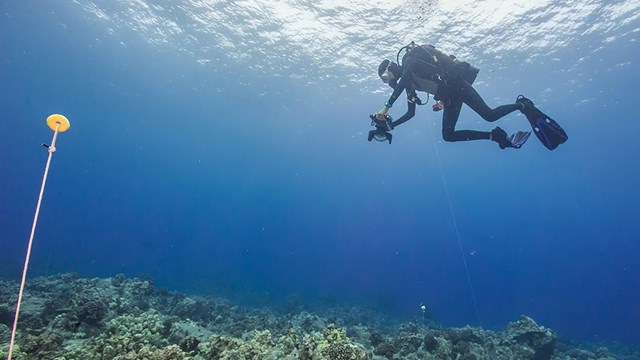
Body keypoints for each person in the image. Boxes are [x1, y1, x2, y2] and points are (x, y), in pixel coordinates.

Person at [373, 42, 534, 149]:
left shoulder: (408, 60)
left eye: (386, 78)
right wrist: (390, 126)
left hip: (457, 85)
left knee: (489, 115)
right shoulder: (409, 86)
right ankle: (495, 136)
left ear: (391, 69)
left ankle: (522, 104)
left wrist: (387, 107)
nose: (389, 82)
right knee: (448, 135)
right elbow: (411, 113)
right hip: (449, 98)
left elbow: (405, 77)